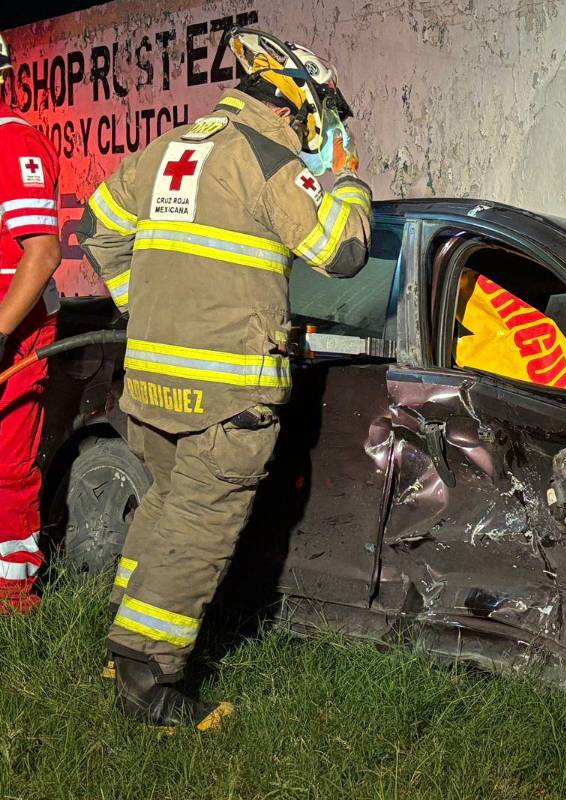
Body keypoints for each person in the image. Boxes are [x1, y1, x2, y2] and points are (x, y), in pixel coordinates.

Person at [77, 28, 372, 730]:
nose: (324, 129)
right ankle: (148, 678)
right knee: (202, 523)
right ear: (294, 103)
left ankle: (121, 643)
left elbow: (97, 228)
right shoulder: (270, 159)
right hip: (225, 393)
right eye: (323, 114)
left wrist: (145, 307)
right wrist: (349, 182)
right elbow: (342, 252)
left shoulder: (169, 149)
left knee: (165, 509)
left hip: (153, 384)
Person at [0, 32, 62, 614]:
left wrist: (0, 333)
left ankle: (12, 596)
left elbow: (42, 254)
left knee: (7, 466)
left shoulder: (14, 141)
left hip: (15, 334)